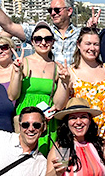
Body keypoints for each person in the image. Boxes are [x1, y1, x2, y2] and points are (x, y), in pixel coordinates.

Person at [9, 22, 69, 155]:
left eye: (47, 39)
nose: (43, 42)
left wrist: (64, 82)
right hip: (27, 119)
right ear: (32, 41)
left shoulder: (56, 67)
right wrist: (17, 73)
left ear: (53, 42)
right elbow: (12, 96)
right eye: (38, 39)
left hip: (47, 120)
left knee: (46, 160)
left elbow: (59, 104)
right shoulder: (23, 62)